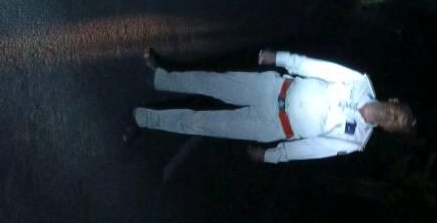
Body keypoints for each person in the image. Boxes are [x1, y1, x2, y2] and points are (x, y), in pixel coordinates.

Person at [131, 48, 415, 163]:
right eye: (398, 112)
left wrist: (272, 156)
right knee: (209, 82)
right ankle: (160, 78)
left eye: (396, 123)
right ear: (393, 101)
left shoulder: (355, 140)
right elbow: (319, 68)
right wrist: (280, 58)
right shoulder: (359, 83)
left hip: (272, 126)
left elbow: (313, 148)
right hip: (273, 88)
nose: (392, 116)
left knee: (203, 124)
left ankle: (145, 119)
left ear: (389, 130)